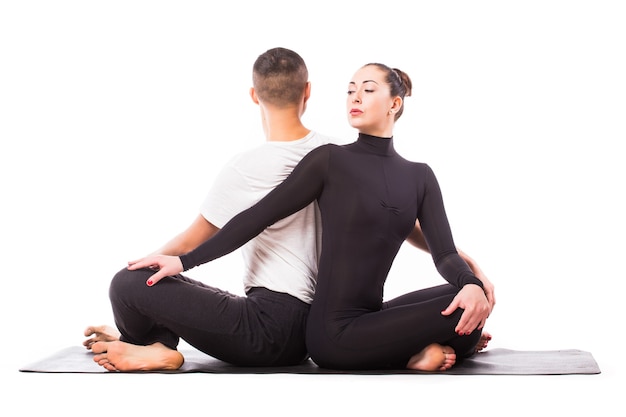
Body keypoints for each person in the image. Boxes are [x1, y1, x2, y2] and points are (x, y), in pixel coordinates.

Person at [126, 61, 494, 372]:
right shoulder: (330, 160)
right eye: (351, 90)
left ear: (395, 103)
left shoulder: (420, 176)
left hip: (374, 316)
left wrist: (471, 282)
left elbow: (444, 254)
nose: (355, 97)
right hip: (332, 334)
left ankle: (417, 348)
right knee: (465, 320)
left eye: (367, 90)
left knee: (468, 295)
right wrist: (184, 261)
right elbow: (257, 217)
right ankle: (422, 349)